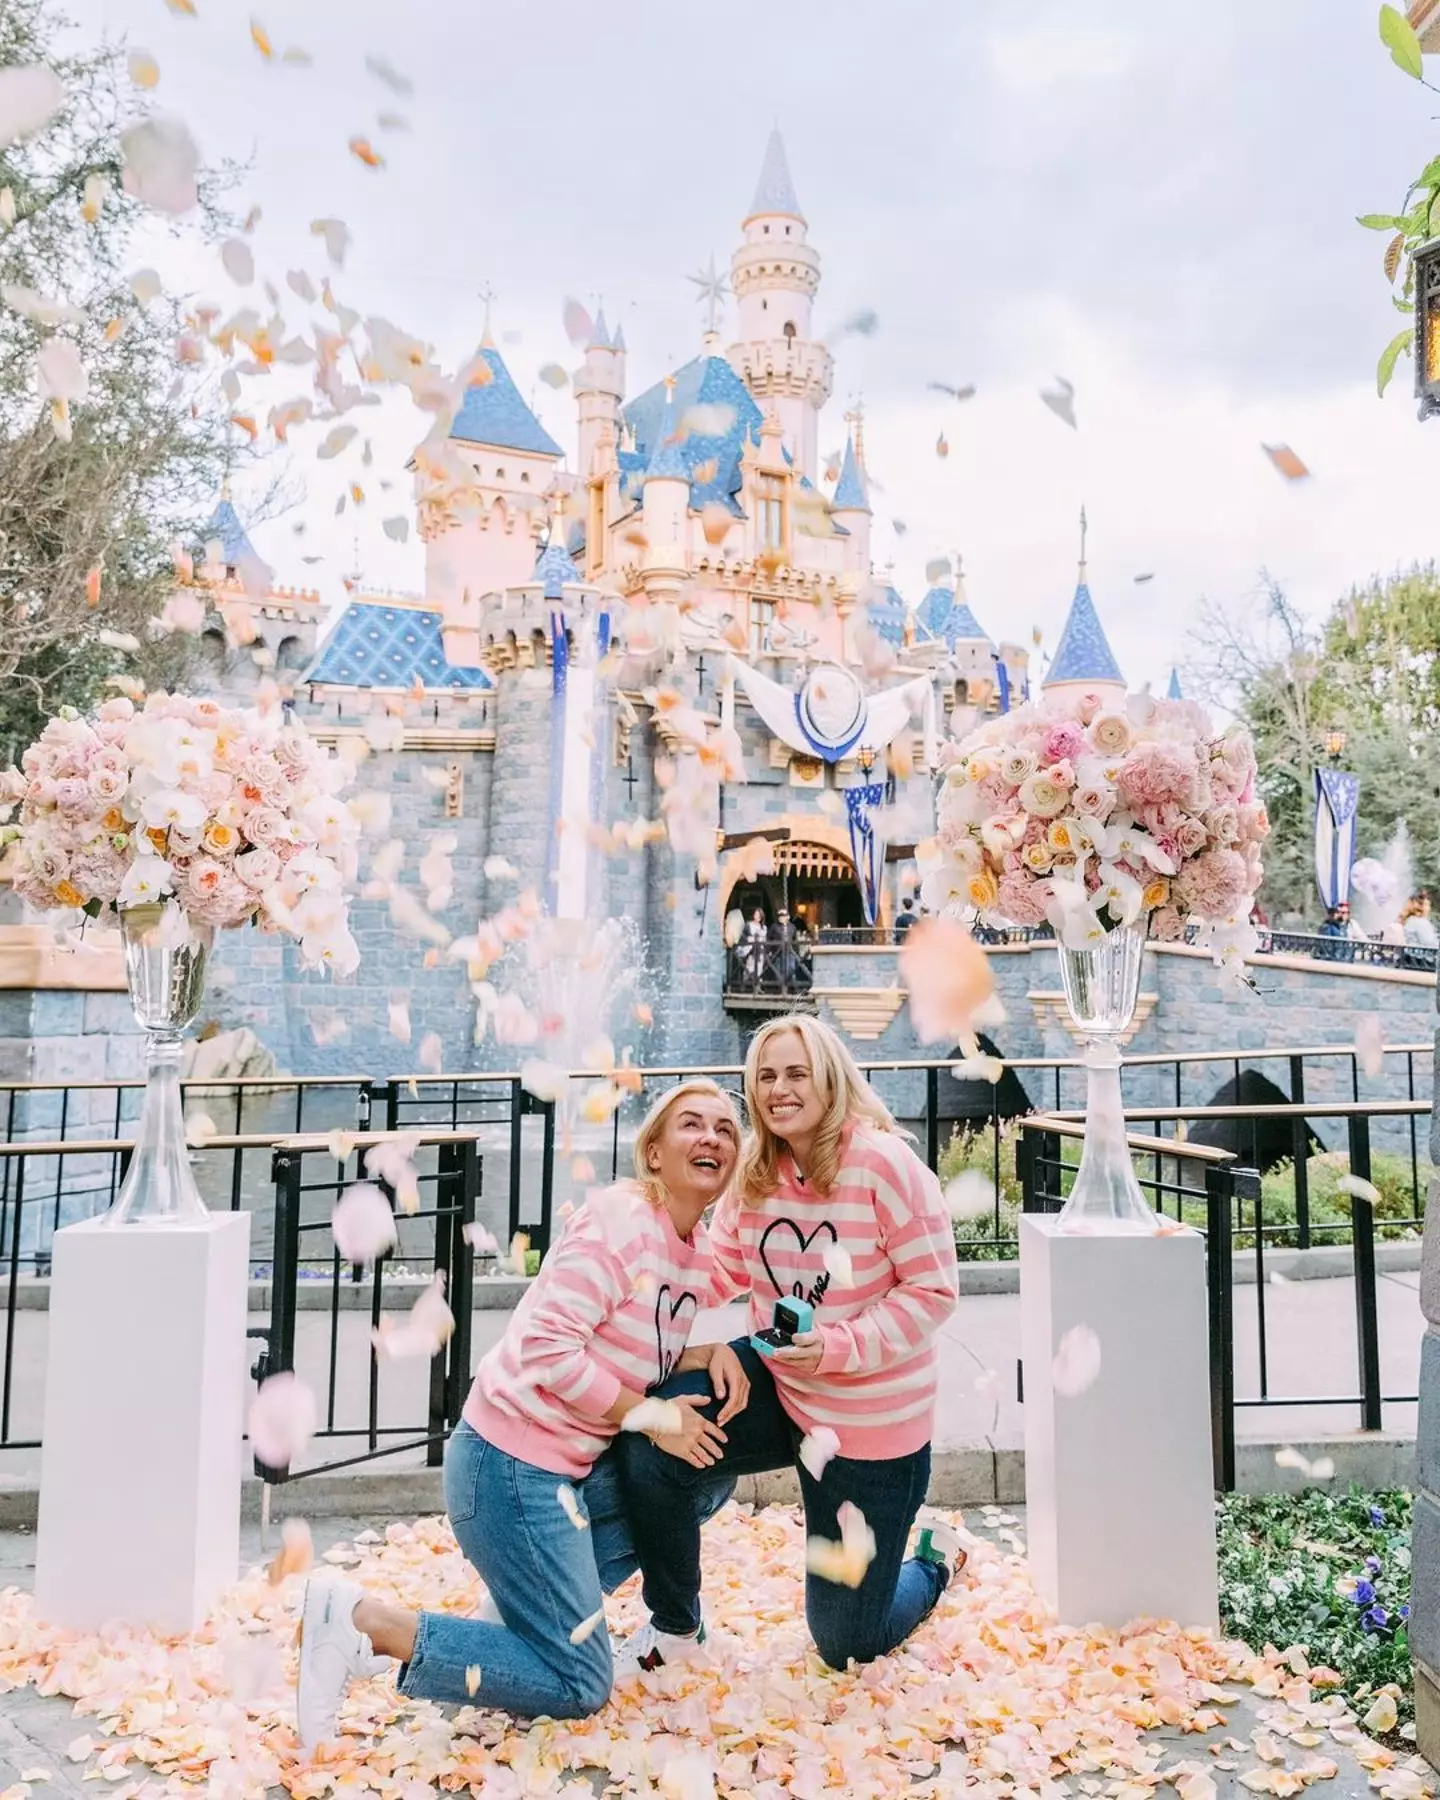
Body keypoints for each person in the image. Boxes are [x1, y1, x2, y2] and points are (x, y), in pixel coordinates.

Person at [294, 1080, 746, 1752]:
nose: (711, 1137)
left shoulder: (691, 1250)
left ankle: (516, 1621)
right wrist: (654, 1416)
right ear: (652, 1152)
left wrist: (713, 1351)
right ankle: (365, 1622)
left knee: (707, 1470)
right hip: (508, 1468)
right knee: (579, 1684)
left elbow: (633, 1334)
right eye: (691, 1124)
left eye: (725, 1129)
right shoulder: (621, 1221)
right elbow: (546, 1350)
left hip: (567, 1475)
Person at [613, 1013, 966, 1677]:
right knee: (651, 1432)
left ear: (828, 1080)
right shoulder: (756, 1172)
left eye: (796, 1073)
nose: (779, 1088)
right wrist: (631, 1256)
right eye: (765, 1076)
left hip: (868, 1434)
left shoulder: (885, 1165)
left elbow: (934, 1292)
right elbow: (718, 1270)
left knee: (847, 1645)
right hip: (779, 1390)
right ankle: (677, 1628)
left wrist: (834, 1346)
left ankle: (935, 1559)